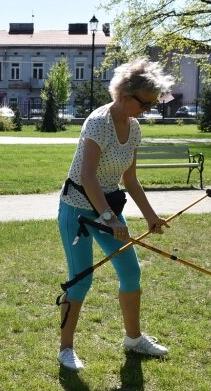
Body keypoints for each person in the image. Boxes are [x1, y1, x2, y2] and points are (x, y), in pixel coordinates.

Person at [56, 57, 174, 371]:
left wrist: (151, 216)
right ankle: (66, 349)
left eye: (151, 105)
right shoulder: (97, 123)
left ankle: (133, 339)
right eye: (145, 104)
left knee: (130, 272)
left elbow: (130, 180)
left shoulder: (133, 129)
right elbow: (89, 177)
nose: (147, 110)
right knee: (81, 280)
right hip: (78, 212)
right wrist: (109, 219)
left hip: (107, 208)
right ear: (123, 95)